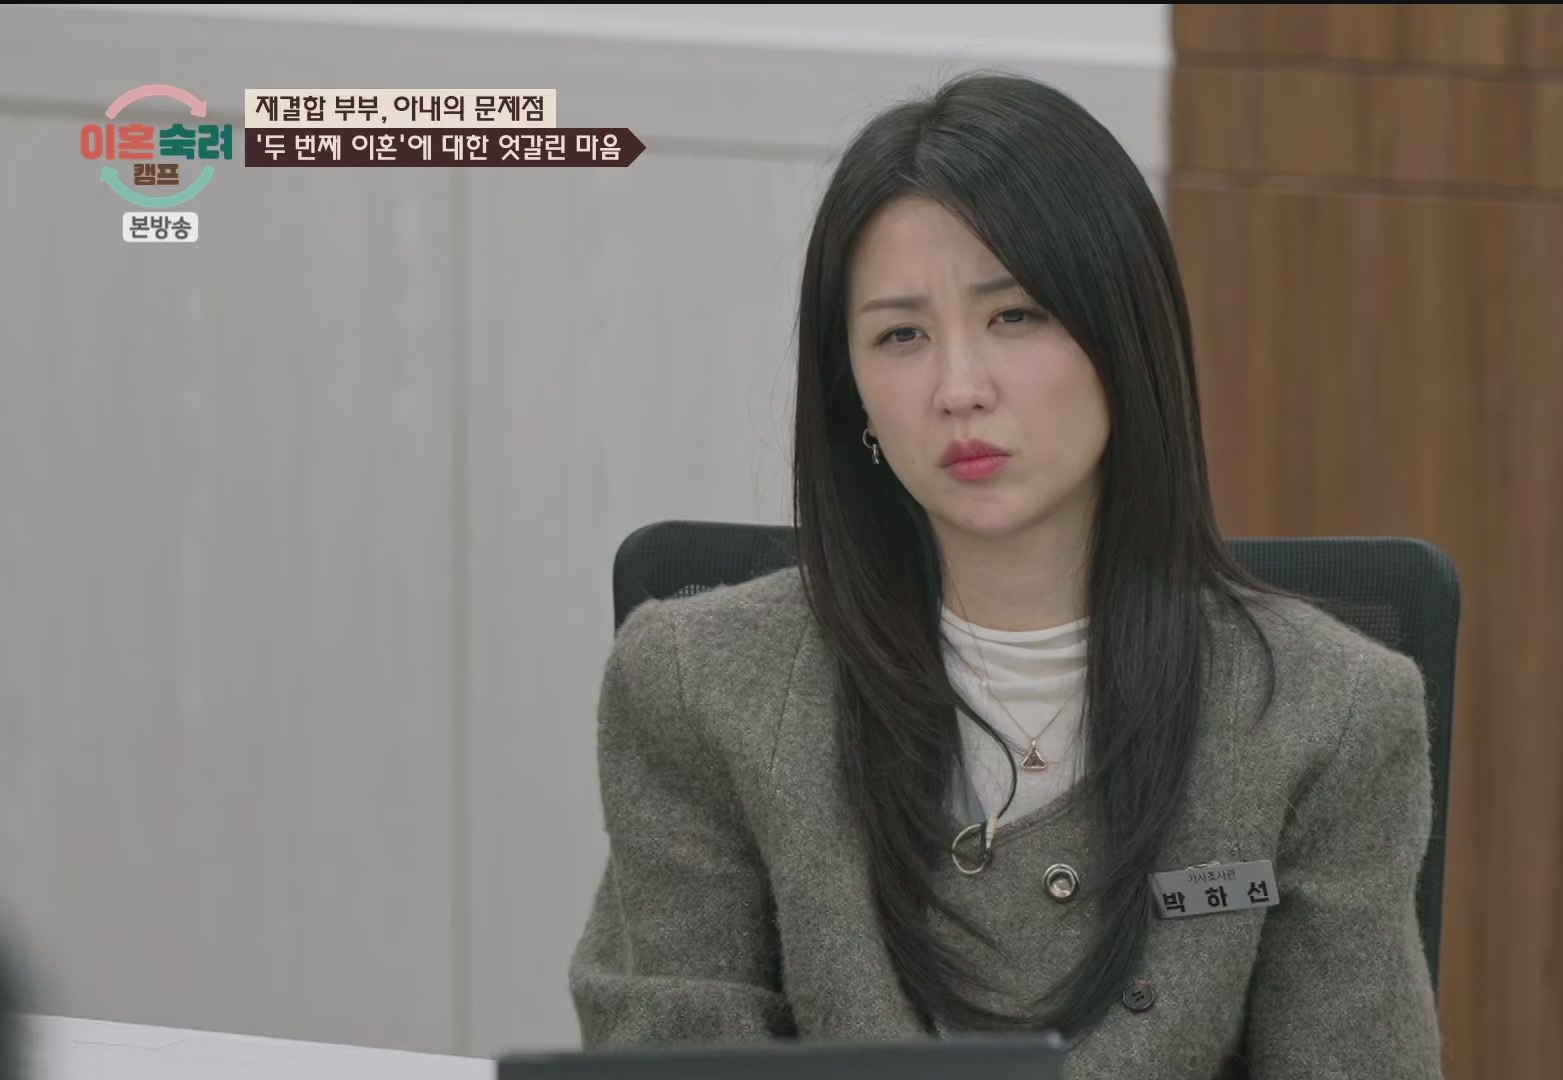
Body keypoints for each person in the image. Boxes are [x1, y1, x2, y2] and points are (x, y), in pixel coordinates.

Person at [568, 71, 1444, 1079]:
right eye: (901, 335)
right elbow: (670, 1053)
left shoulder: (1333, 713)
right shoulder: (696, 686)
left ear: (1124, 340)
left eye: (1016, 316)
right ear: (855, 396)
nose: (959, 389)